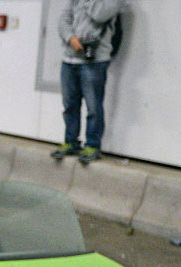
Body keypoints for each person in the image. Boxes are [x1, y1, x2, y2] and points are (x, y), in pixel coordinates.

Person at [52, 0, 124, 164]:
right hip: (69, 59)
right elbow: (63, 19)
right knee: (70, 105)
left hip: (95, 61)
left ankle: (92, 145)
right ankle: (71, 142)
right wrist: (71, 38)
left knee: (93, 107)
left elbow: (99, 15)